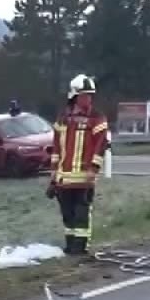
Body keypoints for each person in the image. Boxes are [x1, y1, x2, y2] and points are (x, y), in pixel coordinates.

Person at [48, 73, 112, 255]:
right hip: (64, 178)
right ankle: (70, 246)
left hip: (85, 178)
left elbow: (101, 144)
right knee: (68, 215)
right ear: (75, 95)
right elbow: (56, 146)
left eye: (91, 95)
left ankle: (80, 248)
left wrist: (94, 169)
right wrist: (53, 172)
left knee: (81, 214)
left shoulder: (97, 118)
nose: (88, 99)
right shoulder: (63, 117)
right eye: (85, 95)